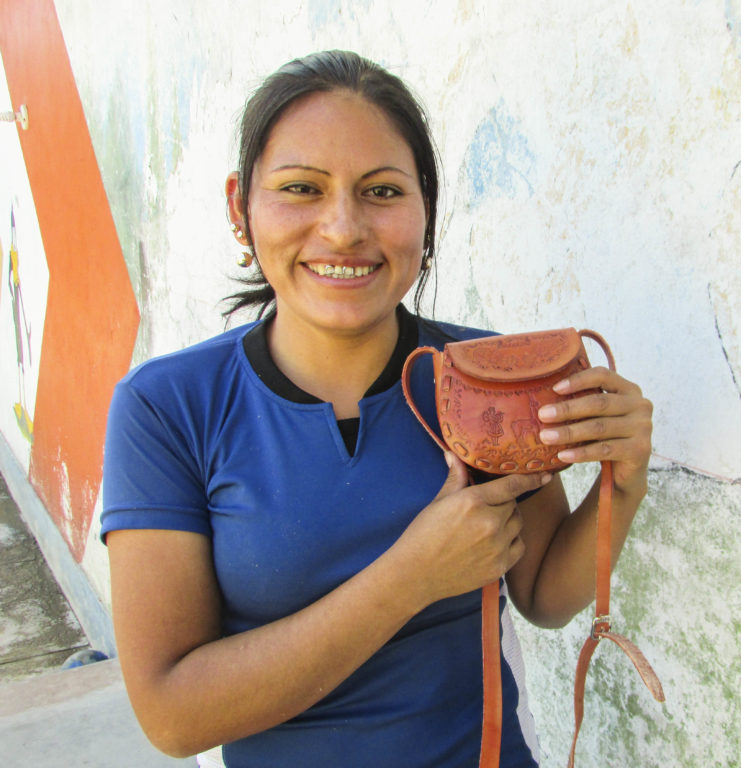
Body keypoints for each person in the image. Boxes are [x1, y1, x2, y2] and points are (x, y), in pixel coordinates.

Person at [101, 50, 653, 768]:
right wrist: (410, 578)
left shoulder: (484, 376)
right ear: (241, 207)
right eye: (301, 188)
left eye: (382, 192)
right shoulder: (167, 409)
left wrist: (624, 481)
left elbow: (546, 594)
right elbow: (174, 717)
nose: (343, 229)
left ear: (426, 209)